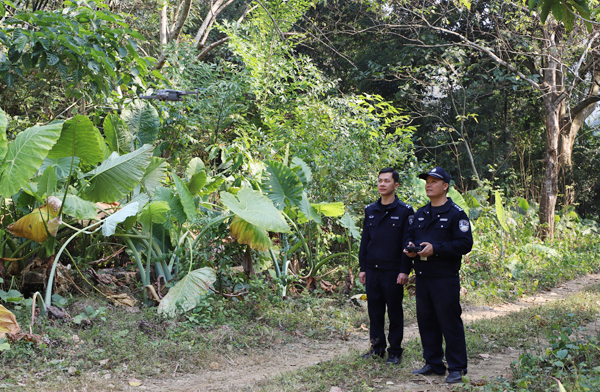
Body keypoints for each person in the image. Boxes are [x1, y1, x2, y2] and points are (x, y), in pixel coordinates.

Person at [404, 167, 473, 383]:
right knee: (427, 321)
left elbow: (465, 243)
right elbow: (412, 236)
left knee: (449, 322)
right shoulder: (421, 214)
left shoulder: (456, 214)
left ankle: (457, 367)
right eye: (427, 181)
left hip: (445, 277)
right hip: (423, 276)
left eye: (434, 181)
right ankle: (433, 363)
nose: (428, 184)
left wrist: (437, 248)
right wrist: (411, 247)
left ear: (445, 187)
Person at [358, 167, 414, 365]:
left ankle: (395, 351)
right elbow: (365, 241)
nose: (382, 184)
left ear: (396, 185)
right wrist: (362, 267)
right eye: (380, 181)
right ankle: (377, 348)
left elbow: (407, 244)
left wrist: (404, 270)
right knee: (374, 311)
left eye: (387, 181)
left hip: (393, 272)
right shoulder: (370, 210)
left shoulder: (405, 211)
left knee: (394, 312)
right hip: (373, 270)